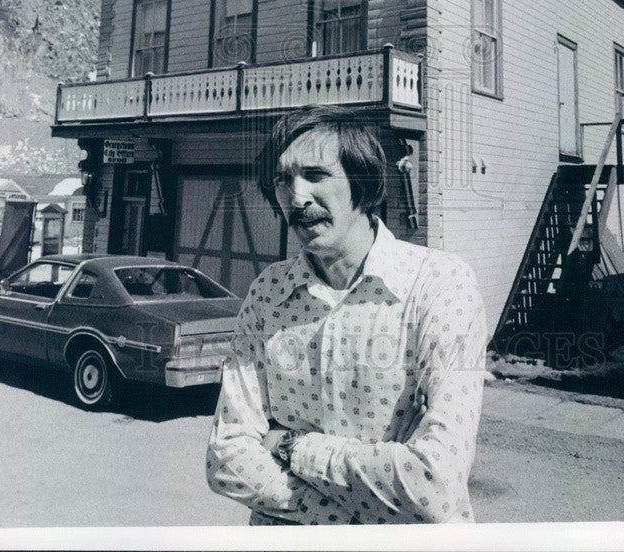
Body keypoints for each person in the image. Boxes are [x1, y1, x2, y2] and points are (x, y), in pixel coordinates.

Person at [206, 105, 487, 525]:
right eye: (282, 179)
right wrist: (351, 517)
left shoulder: (438, 283)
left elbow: (435, 482)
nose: (295, 197)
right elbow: (225, 458)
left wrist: (291, 447)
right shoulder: (268, 291)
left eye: (315, 175)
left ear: (364, 182)